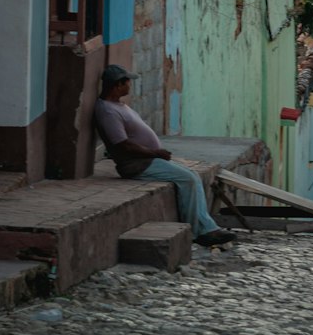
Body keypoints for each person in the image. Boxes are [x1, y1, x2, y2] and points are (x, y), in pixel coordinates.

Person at [93, 67, 236, 246]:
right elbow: (122, 144)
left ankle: (206, 226)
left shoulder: (118, 105)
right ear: (117, 85)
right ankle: (202, 231)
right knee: (189, 179)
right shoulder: (107, 111)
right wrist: (154, 152)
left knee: (192, 176)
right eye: (127, 81)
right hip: (138, 164)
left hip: (149, 159)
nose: (130, 84)